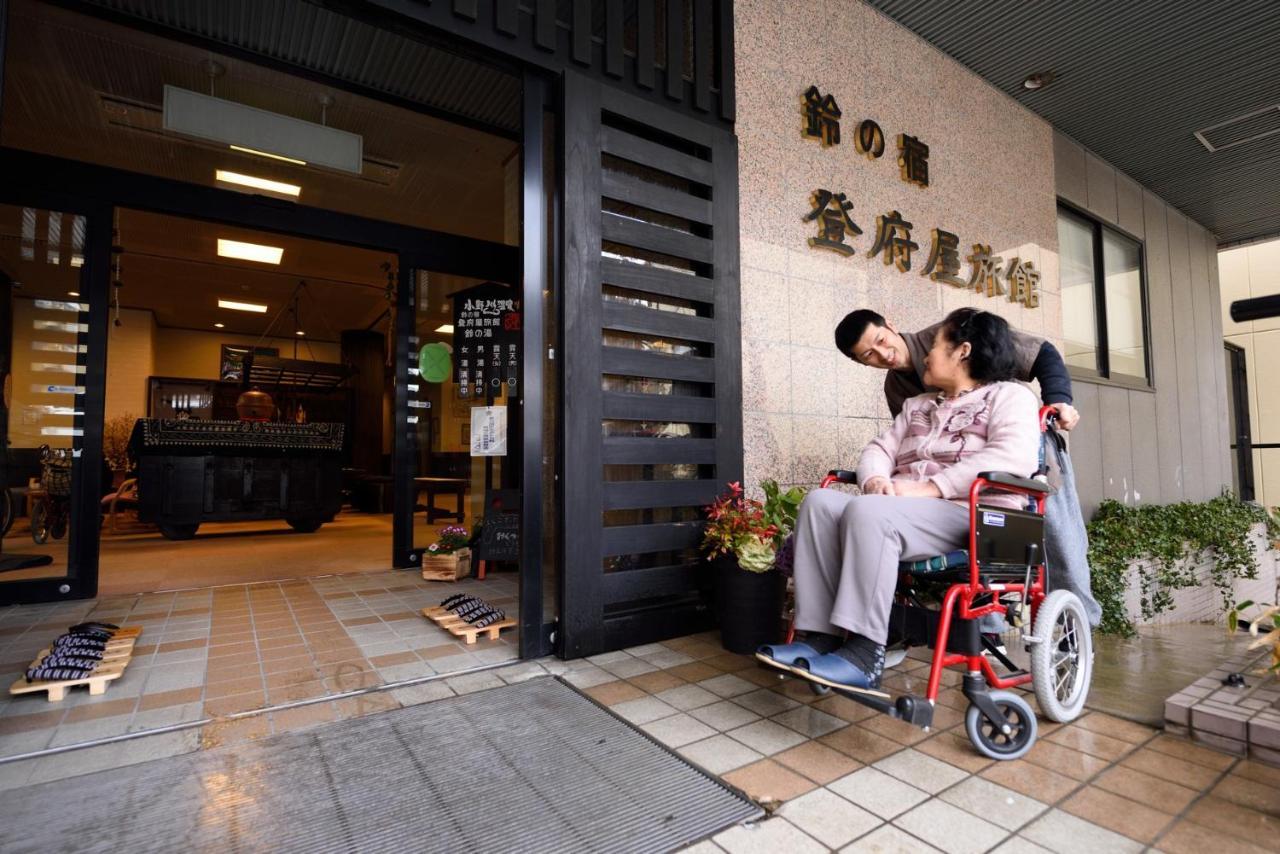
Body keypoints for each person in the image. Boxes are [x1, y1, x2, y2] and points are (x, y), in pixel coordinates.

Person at [758, 309, 1041, 692]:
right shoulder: (917, 405)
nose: (925, 355)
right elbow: (879, 448)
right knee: (820, 503)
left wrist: (931, 487)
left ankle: (864, 652)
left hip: (970, 514)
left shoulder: (1009, 396)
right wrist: (875, 478)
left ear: (963, 351)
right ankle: (817, 637)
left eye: (937, 346)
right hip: (905, 510)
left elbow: (1012, 457)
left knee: (868, 511)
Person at [833, 308, 1080, 430]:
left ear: (890, 325)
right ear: (861, 362)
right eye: (869, 354)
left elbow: (1039, 353)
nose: (884, 354)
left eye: (881, 340)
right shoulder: (895, 389)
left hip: (1024, 443)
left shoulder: (951, 332)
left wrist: (1058, 400)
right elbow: (910, 437)